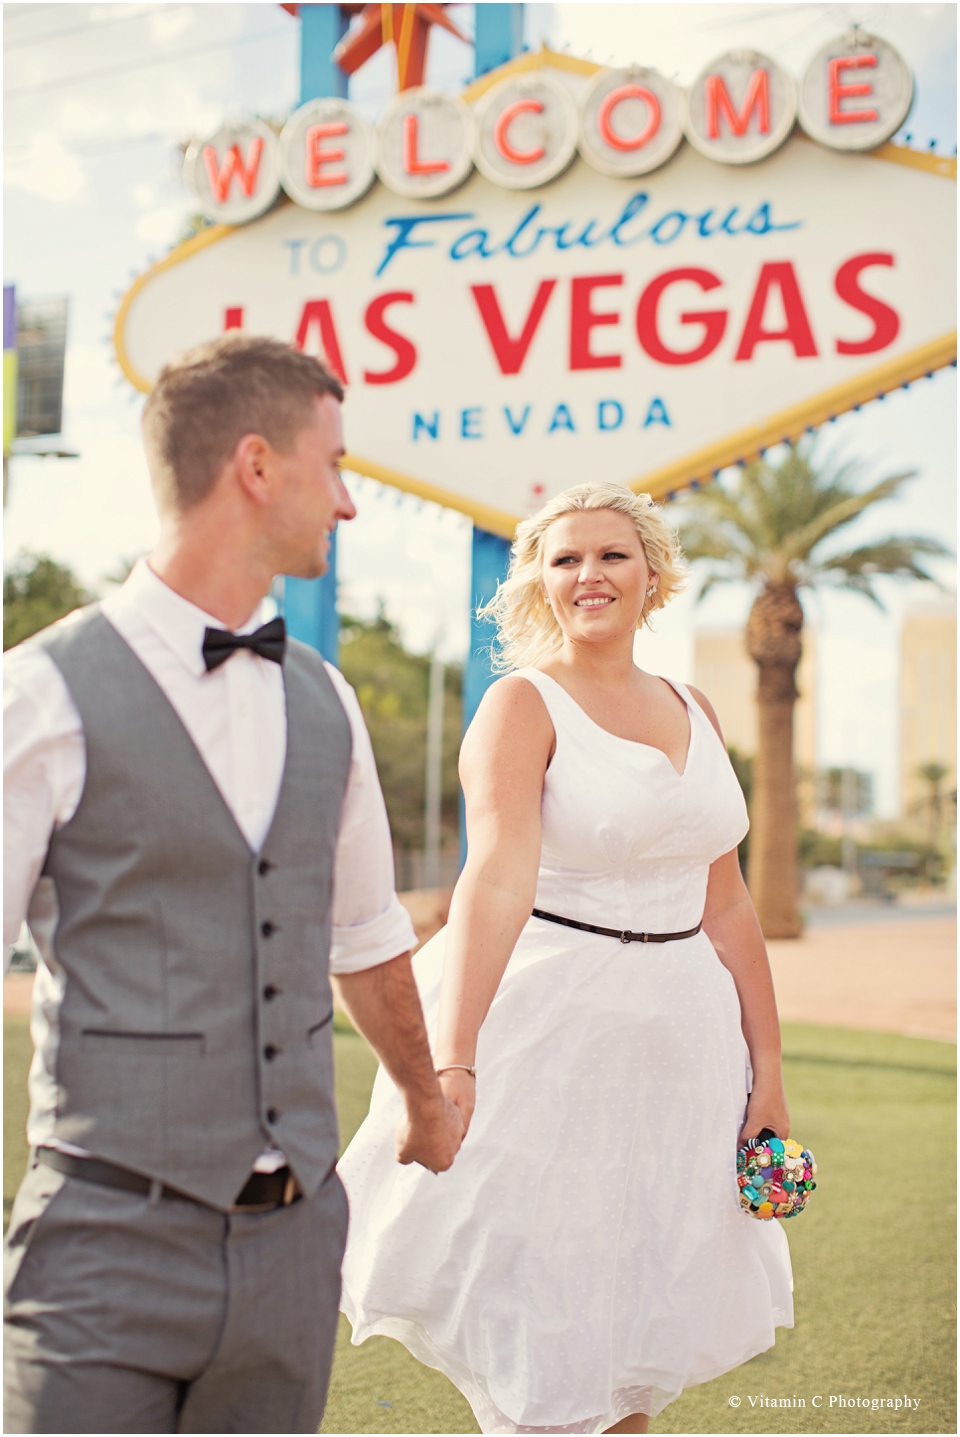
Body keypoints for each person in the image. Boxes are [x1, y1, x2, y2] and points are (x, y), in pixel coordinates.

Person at [3, 334, 464, 1435]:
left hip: (296, 1252)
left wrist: (426, 1099)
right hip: (104, 1246)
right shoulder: (39, 697)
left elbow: (363, 933)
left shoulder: (326, 700)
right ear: (257, 467)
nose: (348, 503)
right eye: (336, 465)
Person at [339, 481, 795, 1435]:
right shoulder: (521, 704)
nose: (590, 574)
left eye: (613, 555)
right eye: (566, 559)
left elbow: (729, 903)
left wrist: (770, 1073)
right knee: (546, 1315)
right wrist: (454, 1059)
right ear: (539, 585)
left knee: (637, 1318)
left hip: (685, 1042)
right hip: (551, 1034)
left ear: (653, 574)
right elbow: (494, 883)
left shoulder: (697, 706)